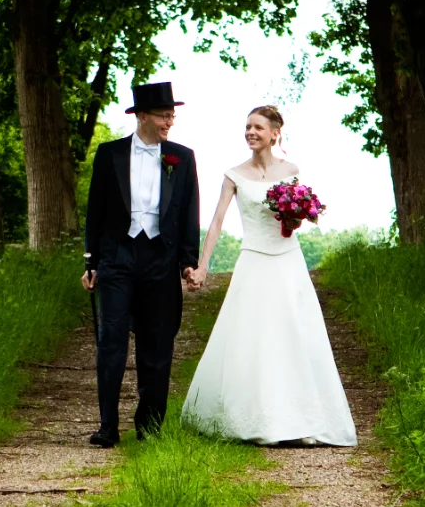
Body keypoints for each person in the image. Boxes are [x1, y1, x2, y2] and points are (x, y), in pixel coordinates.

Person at [179, 105, 357, 446]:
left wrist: (295, 220)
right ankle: (251, 416)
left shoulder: (291, 170)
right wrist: (202, 265)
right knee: (253, 336)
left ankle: (299, 418)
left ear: (275, 133)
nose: (250, 132)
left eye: (258, 127)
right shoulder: (233, 174)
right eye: (247, 127)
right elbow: (216, 222)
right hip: (254, 260)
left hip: (287, 260)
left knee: (292, 333)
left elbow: (297, 217)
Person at [81, 80, 202, 446]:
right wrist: (91, 262)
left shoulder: (182, 158)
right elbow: (95, 211)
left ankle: (149, 427)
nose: (170, 122)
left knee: (157, 343)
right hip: (117, 257)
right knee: (111, 341)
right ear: (143, 116)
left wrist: (187, 261)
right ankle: (107, 426)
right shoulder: (109, 154)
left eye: (172, 116)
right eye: (165, 115)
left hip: (160, 260)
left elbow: (189, 213)